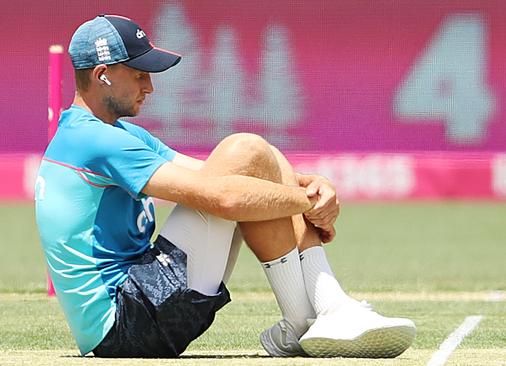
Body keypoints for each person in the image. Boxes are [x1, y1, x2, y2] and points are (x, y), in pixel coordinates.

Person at [34, 14, 416, 358]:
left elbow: (229, 175)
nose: (149, 86)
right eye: (138, 74)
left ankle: (325, 307)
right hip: (125, 324)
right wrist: (307, 201)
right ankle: (312, 315)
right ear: (103, 75)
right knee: (245, 149)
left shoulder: (112, 134)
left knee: (260, 153)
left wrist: (310, 185)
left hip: (139, 307)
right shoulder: (96, 140)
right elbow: (225, 196)